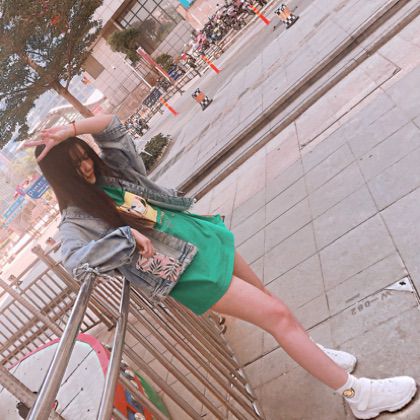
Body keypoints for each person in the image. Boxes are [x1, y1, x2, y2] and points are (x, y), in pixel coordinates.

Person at [25, 114, 417, 420]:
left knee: (269, 300)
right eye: (75, 166)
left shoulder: (113, 176)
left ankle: (318, 355)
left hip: (203, 238)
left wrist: (70, 131)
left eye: (84, 157)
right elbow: (75, 261)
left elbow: (111, 126)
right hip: (186, 272)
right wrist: (124, 240)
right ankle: (358, 394)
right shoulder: (75, 220)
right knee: (277, 316)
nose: (86, 167)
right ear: (62, 177)